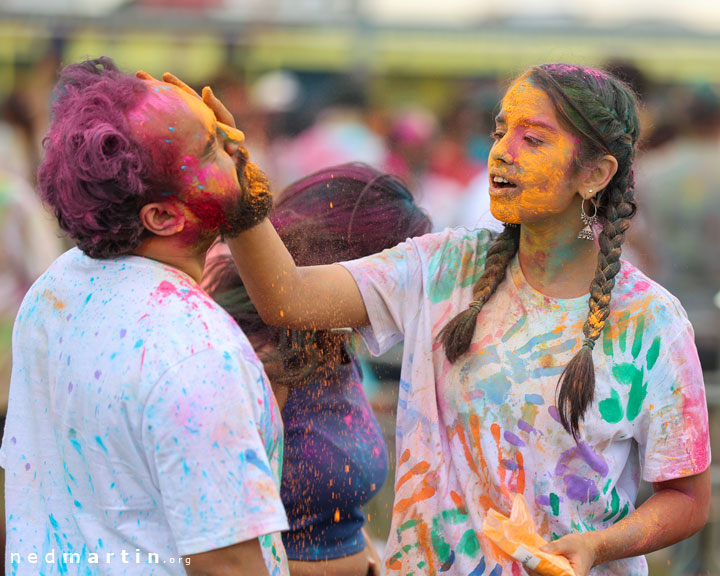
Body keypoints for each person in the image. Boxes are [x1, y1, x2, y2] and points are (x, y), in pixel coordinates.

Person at [215, 63, 711, 575]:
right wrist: (232, 183)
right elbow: (289, 299)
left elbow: (688, 500)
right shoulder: (442, 268)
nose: (502, 150)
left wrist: (597, 547)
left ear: (595, 174)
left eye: (533, 139)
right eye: (500, 131)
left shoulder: (652, 323)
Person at [0, 57, 289, 575]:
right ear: (162, 216)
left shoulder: (56, 290)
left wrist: (221, 159)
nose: (235, 141)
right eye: (211, 147)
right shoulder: (195, 349)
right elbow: (229, 565)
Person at [201, 163, 431, 576]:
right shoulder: (263, 363)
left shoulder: (333, 346)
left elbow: (334, 513)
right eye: (390, 279)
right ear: (349, 263)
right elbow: (216, 557)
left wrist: (367, 557)